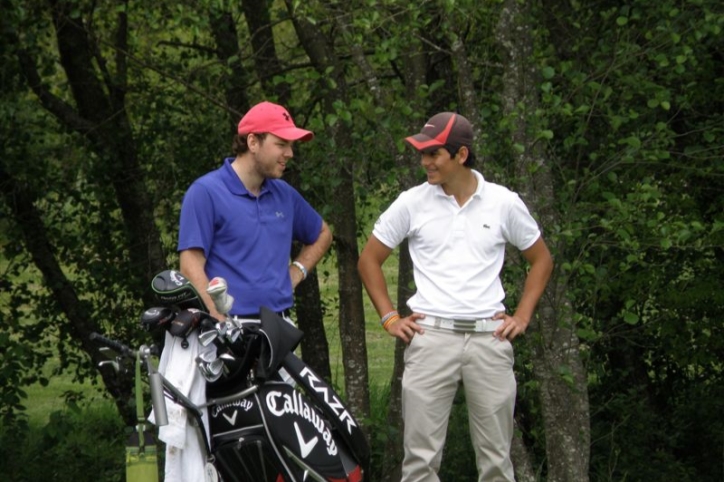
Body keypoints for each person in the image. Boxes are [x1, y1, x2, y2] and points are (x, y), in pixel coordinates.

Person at [357, 112, 553, 482]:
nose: (425, 163)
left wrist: (522, 316)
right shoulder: (412, 202)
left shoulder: (503, 202)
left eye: (434, 154)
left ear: (461, 155)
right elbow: (369, 259)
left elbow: (541, 259)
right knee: (419, 462)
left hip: (489, 339)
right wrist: (389, 318)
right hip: (431, 338)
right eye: (423, 154)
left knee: (496, 460)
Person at [178, 101, 332, 323]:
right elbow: (190, 265)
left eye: (291, 145)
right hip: (228, 326)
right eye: (281, 144)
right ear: (253, 142)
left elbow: (322, 234)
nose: (289, 153)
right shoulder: (205, 192)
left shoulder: (284, 194)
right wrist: (218, 320)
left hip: (278, 325)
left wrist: (297, 271)